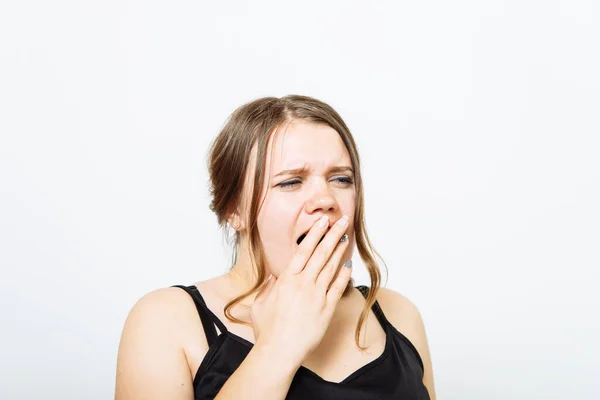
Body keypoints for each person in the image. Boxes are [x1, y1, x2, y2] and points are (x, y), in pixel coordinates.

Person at [115, 95, 436, 399]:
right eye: (290, 182)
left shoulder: (398, 315)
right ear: (233, 210)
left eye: (341, 179)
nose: (325, 200)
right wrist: (279, 347)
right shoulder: (166, 320)